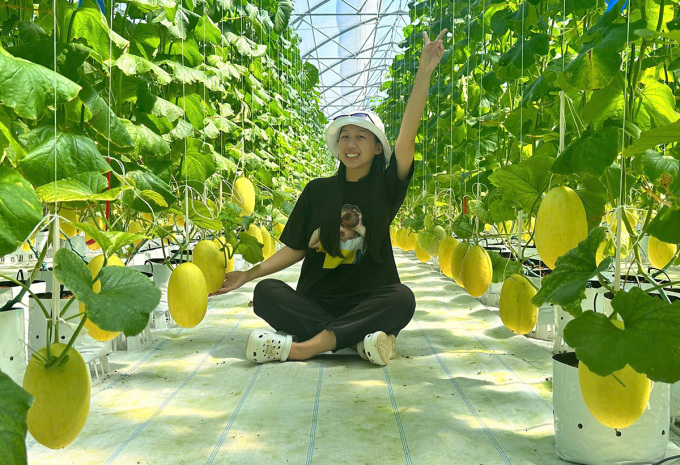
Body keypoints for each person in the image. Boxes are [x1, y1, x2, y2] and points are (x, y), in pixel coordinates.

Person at [212, 29, 448, 365]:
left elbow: (407, 137)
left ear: (378, 146)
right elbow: (295, 249)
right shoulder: (317, 190)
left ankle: (306, 347)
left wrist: (424, 73)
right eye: (345, 137)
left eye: (361, 137)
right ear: (337, 146)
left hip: (368, 301)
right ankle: (356, 341)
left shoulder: (386, 188)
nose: (351, 144)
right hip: (316, 302)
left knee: (403, 298)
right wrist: (248, 275)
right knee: (265, 293)